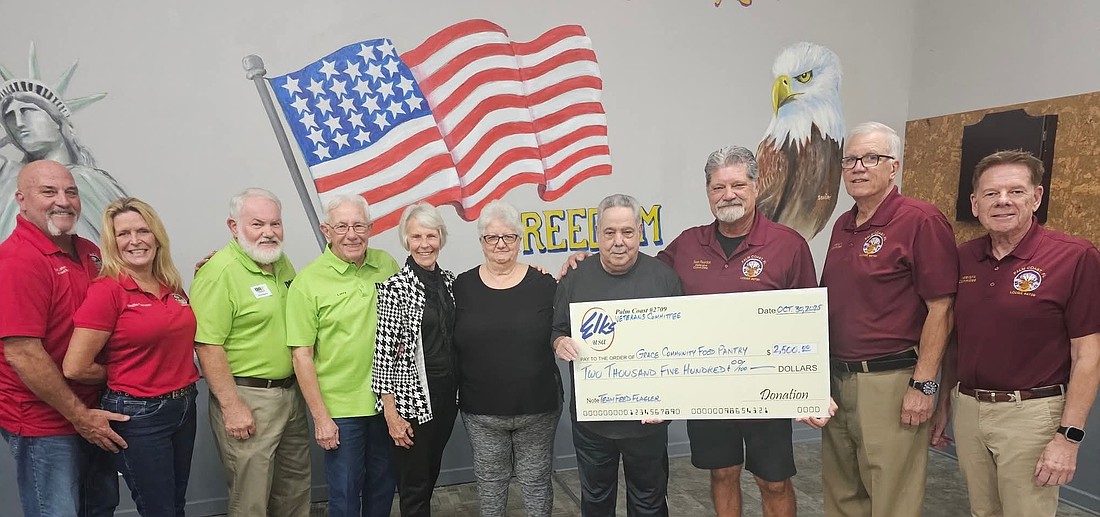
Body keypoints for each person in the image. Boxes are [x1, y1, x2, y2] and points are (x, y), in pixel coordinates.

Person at [930, 150, 1100, 517]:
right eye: (991, 194)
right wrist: (944, 402)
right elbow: (955, 340)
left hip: (1032, 414)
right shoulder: (964, 257)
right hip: (970, 407)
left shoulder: (1074, 257)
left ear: (1036, 197)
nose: (1003, 200)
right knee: (983, 511)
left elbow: (1088, 354)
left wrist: (1068, 437)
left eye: (1016, 191)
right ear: (975, 204)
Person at [659, 146, 825, 517]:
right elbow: (642, 280)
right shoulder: (688, 244)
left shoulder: (788, 244)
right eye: (718, 187)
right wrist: (589, 265)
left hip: (768, 384)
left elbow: (809, 321)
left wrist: (813, 387)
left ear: (756, 185)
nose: (727, 195)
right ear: (707, 192)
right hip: (709, 385)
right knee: (722, 472)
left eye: (737, 184)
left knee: (774, 480)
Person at [819, 122, 958, 517]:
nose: (859, 167)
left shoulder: (920, 220)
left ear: (893, 166)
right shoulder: (844, 225)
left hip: (891, 381)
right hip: (838, 378)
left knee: (891, 497)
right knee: (843, 491)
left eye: (871, 158)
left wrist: (924, 385)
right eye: (850, 159)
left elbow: (942, 309)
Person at [63, 197, 199, 517]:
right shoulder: (107, 290)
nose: (135, 241)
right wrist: (124, 374)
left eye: (142, 231)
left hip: (183, 406)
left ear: (157, 236)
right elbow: (74, 366)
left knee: (176, 503)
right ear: (112, 243)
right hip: (140, 415)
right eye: (124, 234)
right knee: (160, 509)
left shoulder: (171, 284)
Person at [0, 159, 121, 517]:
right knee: (58, 511)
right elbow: (23, 354)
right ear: (21, 199)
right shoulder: (17, 260)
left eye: (70, 192)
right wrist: (80, 417)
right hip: (47, 419)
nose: (63, 201)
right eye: (48, 192)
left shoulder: (90, 251)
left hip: (94, 408)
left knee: (99, 506)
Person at [552, 193, 683, 517]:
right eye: (610, 233)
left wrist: (669, 401)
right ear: (598, 234)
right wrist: (558, 344)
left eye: (627, 231)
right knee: (596, 503)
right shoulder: (575, 277)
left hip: (648, 421)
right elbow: (556, 329)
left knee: (649, 503)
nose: (618, 241)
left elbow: (682, 346)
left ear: (640, 231)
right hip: (593, 422)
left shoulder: (663, 278)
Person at [190, 188, 312, 517]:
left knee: (295, 489)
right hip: (248, 398)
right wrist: (232, 407)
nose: (269, 232)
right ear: (234, 226)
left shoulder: (280, 262)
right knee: (252, 499)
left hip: (289, 394)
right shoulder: (219, 273)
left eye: (275, 223)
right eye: (257, 224)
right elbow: (207, 344)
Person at [286, 195, 399, 517]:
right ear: (326, 230)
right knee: (345, 494)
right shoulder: (308, 281)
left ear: (371, 228)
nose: (352, 234)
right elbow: (301, 356)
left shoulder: (387, 264)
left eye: (359, 225)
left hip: (385, 403)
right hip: (340, 410)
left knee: (383, 487)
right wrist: (321, 418)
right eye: (342, 226)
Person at [453, 200, 561, 517]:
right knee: (490, 485)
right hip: (481, 412)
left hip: (537, 409)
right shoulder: (461, 286)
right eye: (492, 237)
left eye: (509, 236)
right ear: (481, 241)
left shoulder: (545, 285)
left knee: (536, 483)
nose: (501, 244)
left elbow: (564, 329)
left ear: (520, 239)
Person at [372, 202, 458, 517]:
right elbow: (385, 356)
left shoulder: (449, 282)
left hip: (448, 398)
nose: (424, 244)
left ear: (441, 238)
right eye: (416, 237)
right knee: (414, 487)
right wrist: (392, 416)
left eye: (431, 236)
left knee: (429, 475)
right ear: (406, 240)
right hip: (413, 404)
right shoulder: (395, 289)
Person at [0, 77, 127, 240]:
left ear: (57, 120)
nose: (19, 123)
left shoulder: (93, 182)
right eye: (10, 116)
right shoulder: (8, 179)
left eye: (27, 111)